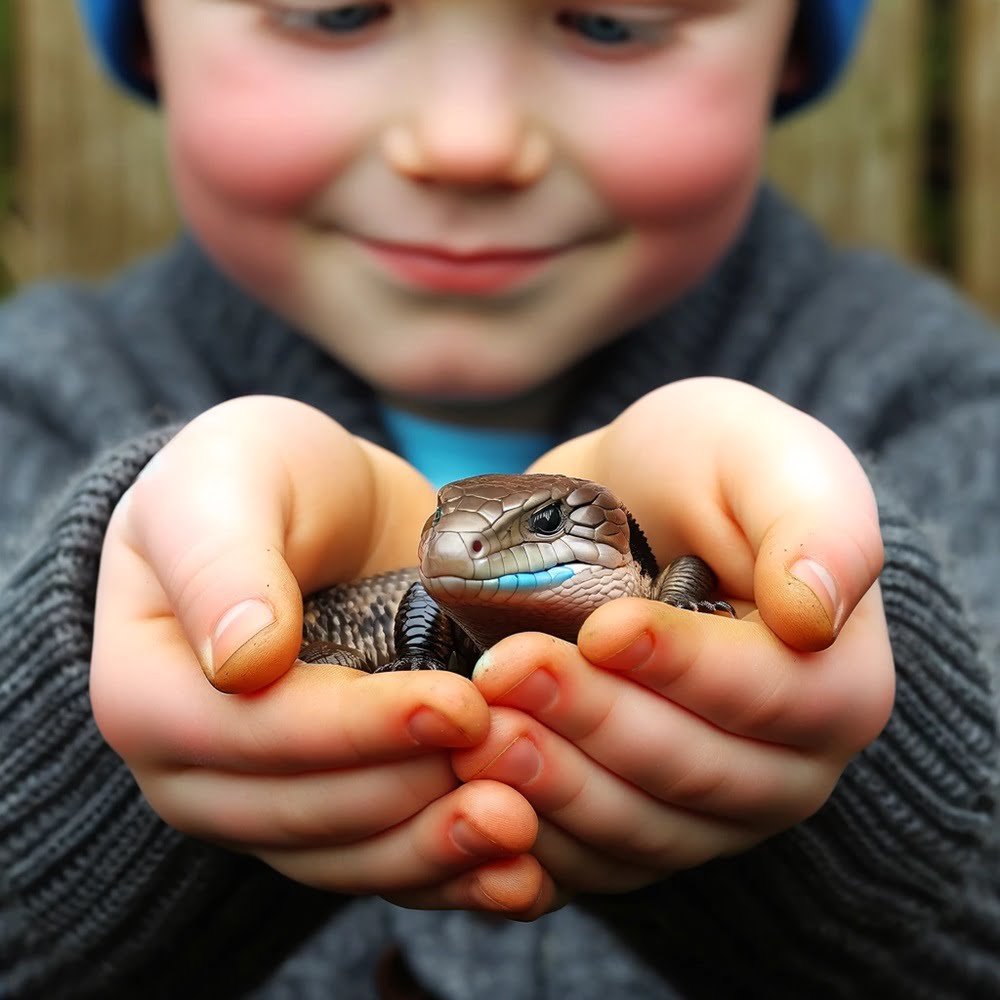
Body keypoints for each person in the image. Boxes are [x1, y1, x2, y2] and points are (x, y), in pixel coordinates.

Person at [1, 1, 997, 996]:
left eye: (613, 21)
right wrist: (121, 737)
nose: (465, 144)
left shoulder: (944, 406)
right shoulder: (29, 402)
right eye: (333, 11)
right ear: (142, 34)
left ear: (787, 50)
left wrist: (827, 749)